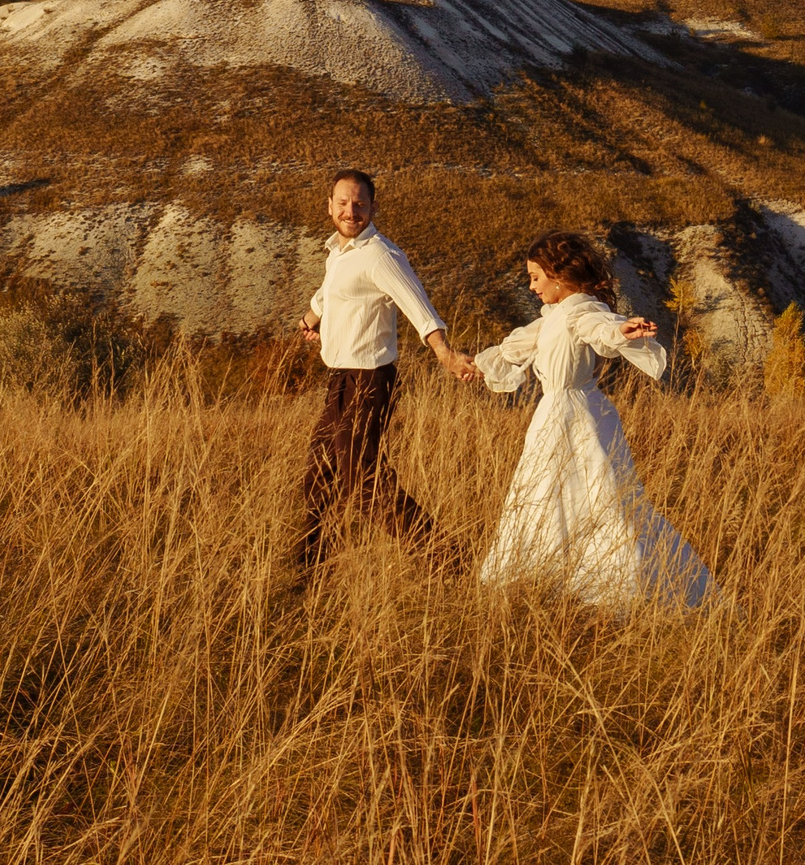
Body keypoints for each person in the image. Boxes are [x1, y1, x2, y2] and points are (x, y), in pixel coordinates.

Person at [470, 231, 714, 609]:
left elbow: (599, 329)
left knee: (599, 499)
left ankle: (611, 586)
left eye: (535, 277)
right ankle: (547, 582)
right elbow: (513, 348)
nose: (531, 286)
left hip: (576, 416)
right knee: (545, 498)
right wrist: (473, 365)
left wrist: (621, 331)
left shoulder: (581, 310)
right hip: (554, 415)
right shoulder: (553, 316)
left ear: (558, 275)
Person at [294, 168, 481, 574]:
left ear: (373, 207)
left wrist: (445, 353)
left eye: (359, 204)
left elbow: (417, 305)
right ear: (329, 207)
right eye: (343, 203)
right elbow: (329, 293)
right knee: (319, 474)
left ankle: (450, 562)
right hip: (340, 379)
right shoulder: (338, 252)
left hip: (368, 380)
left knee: (364, 481)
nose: (351, 211)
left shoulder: (381, 255)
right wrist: (310, 319)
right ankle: (309, 567)